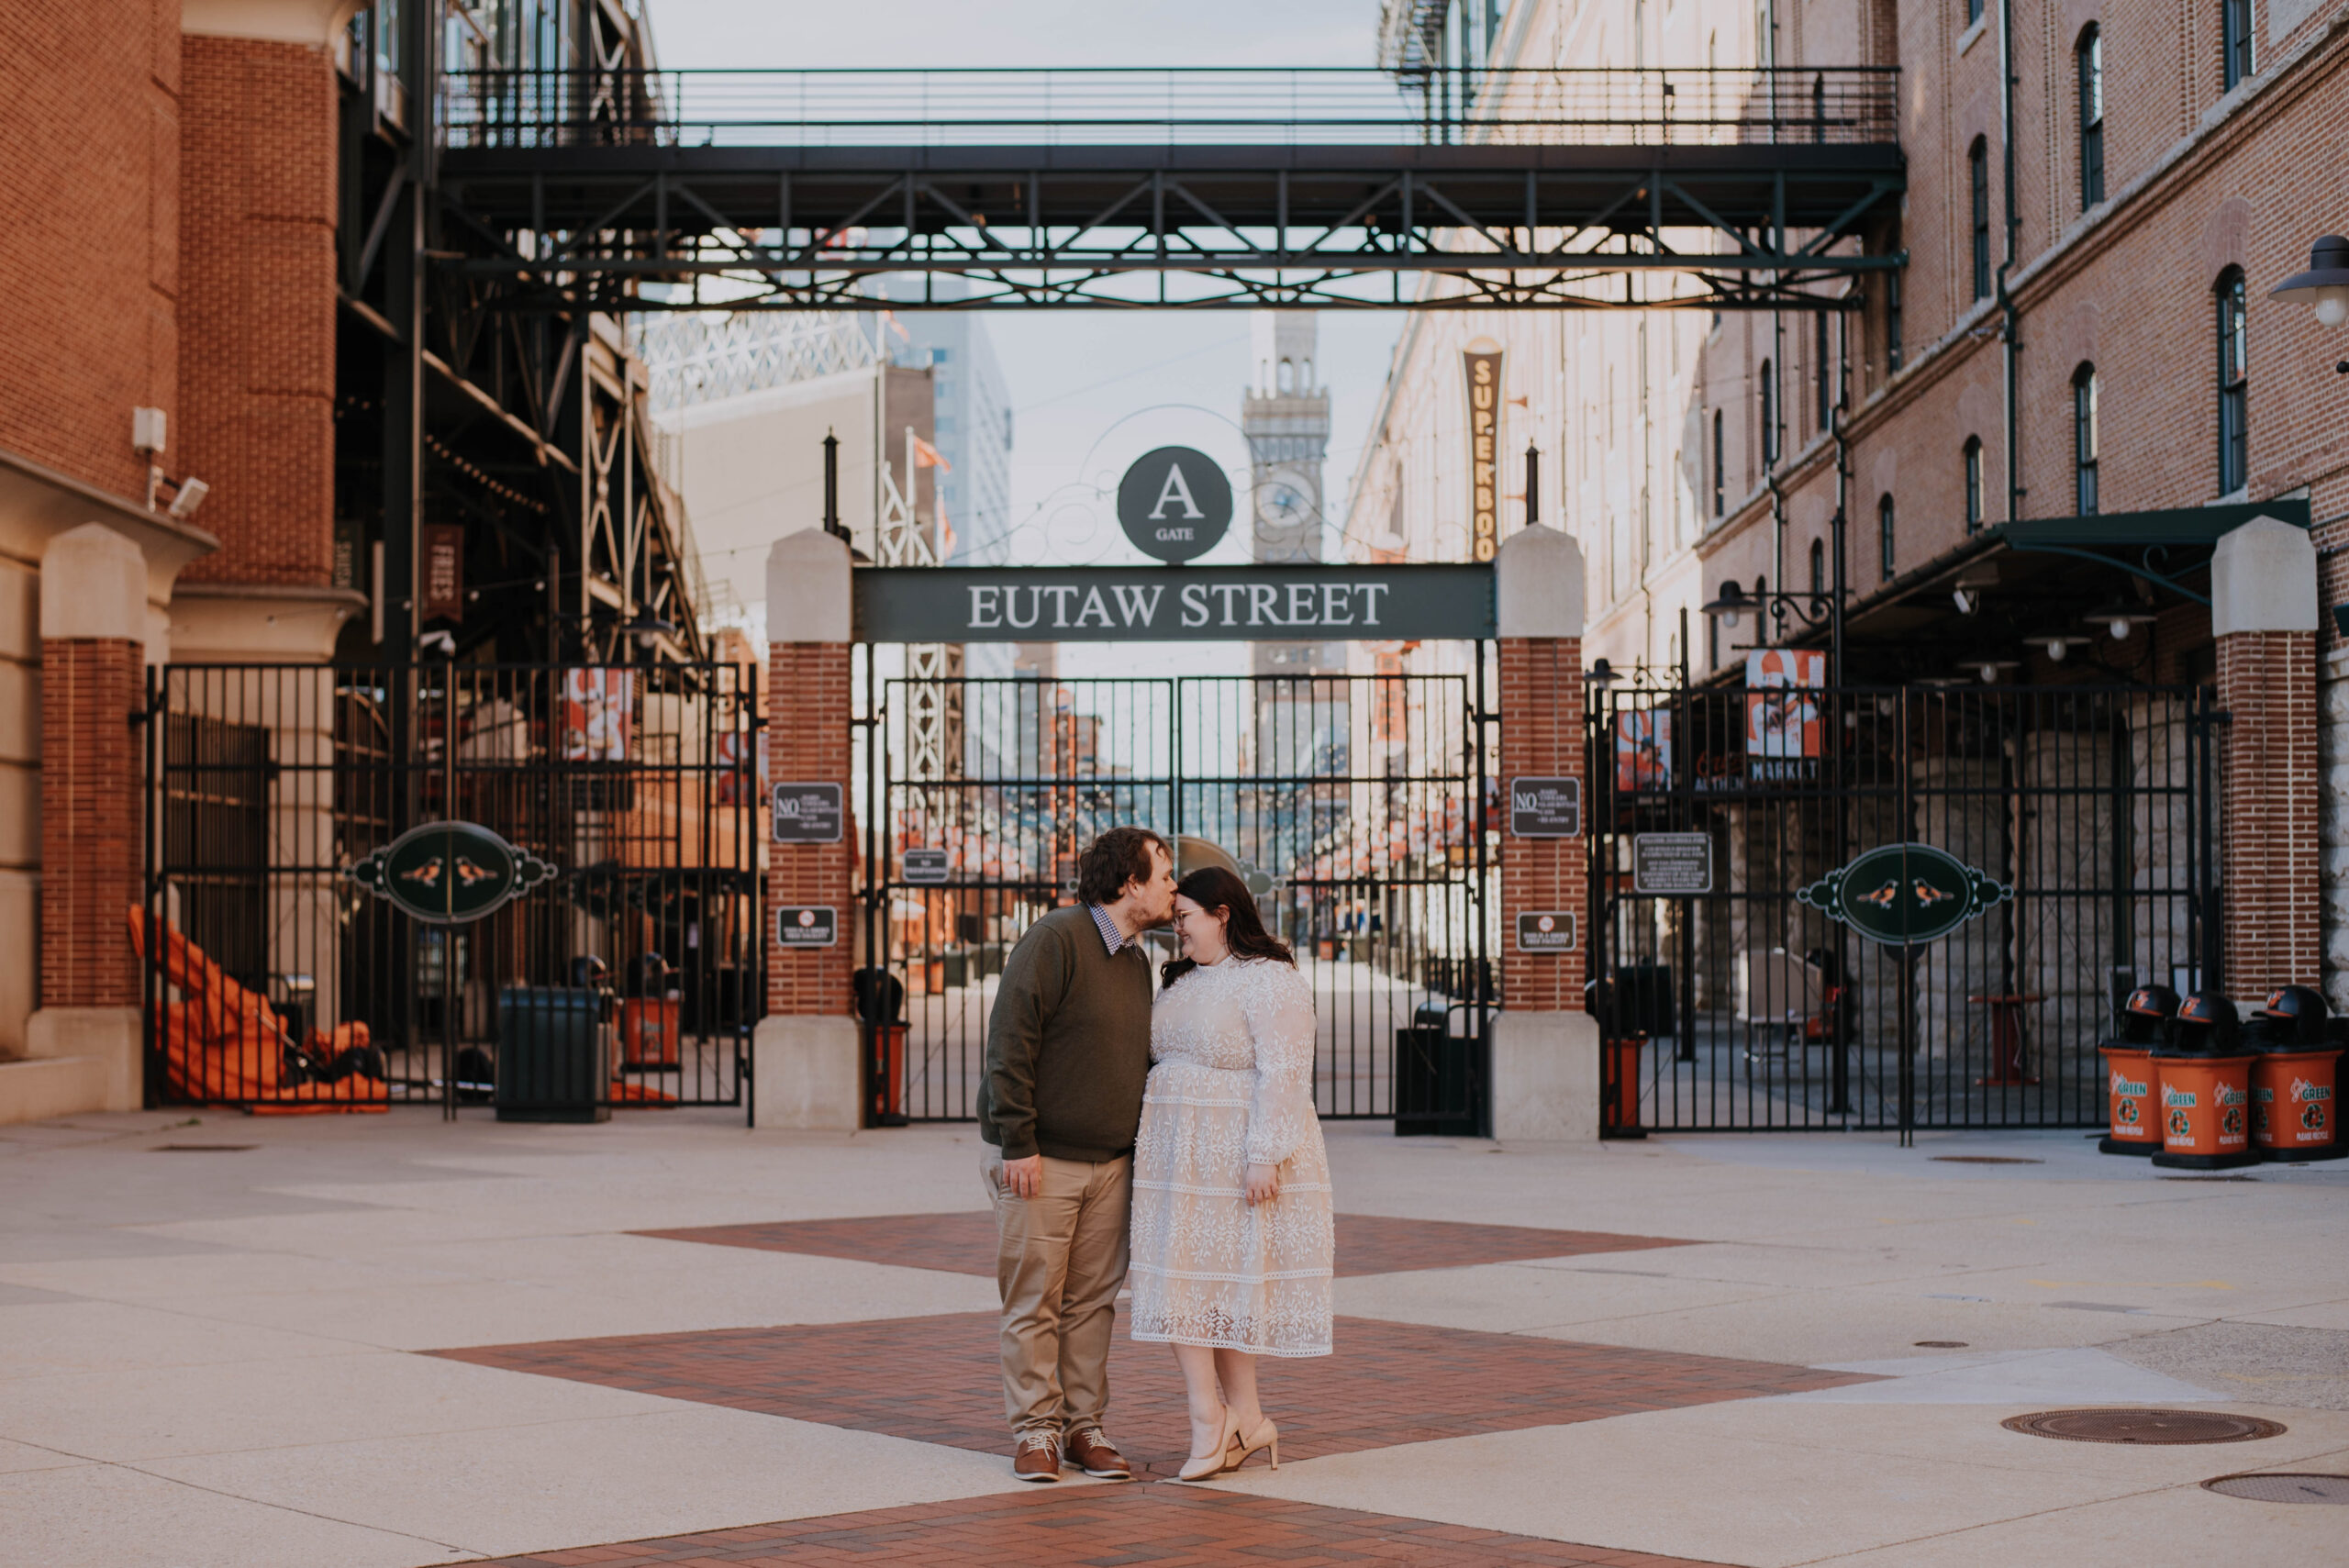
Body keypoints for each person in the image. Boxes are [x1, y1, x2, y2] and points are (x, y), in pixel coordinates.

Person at [978, 825, 1176, 1483]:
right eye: (1165, 874)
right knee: (1035, 1298)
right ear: (1130, 882)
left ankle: (1083, 1425)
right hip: (1043, 1159)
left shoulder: (1135, 959)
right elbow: (1010, 1039)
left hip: (1110, 1163)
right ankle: (1036, 1430)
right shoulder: (1057, 938)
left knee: (1092, 1303)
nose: (1173, 888)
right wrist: (1018, 1140)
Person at [1129, 865, 1334, 1482]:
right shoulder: (1183, 980)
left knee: (1208, 1285)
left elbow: (1286, 1070)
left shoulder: (1271, 981)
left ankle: (1206, 1419)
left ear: (1222, 913)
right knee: (1199, 1285)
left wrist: (1263, 1153)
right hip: (1177, 1158)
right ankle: (1246, 1416)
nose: (1178, 931)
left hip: (1233, 1154)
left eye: (1185, 917)